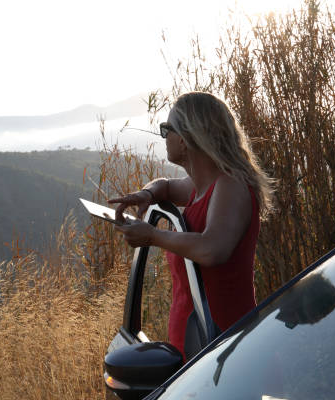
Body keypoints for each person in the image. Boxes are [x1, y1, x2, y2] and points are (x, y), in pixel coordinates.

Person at [108, 91, 274, 356]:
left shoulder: (230, 186)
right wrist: (147, 194)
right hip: (199, 346)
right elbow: (164, 185)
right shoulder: (201, 187)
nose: (163, 136)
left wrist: (152, 236)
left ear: (186, 139)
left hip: (226, 350)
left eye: (166, 129)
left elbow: (212, 249)